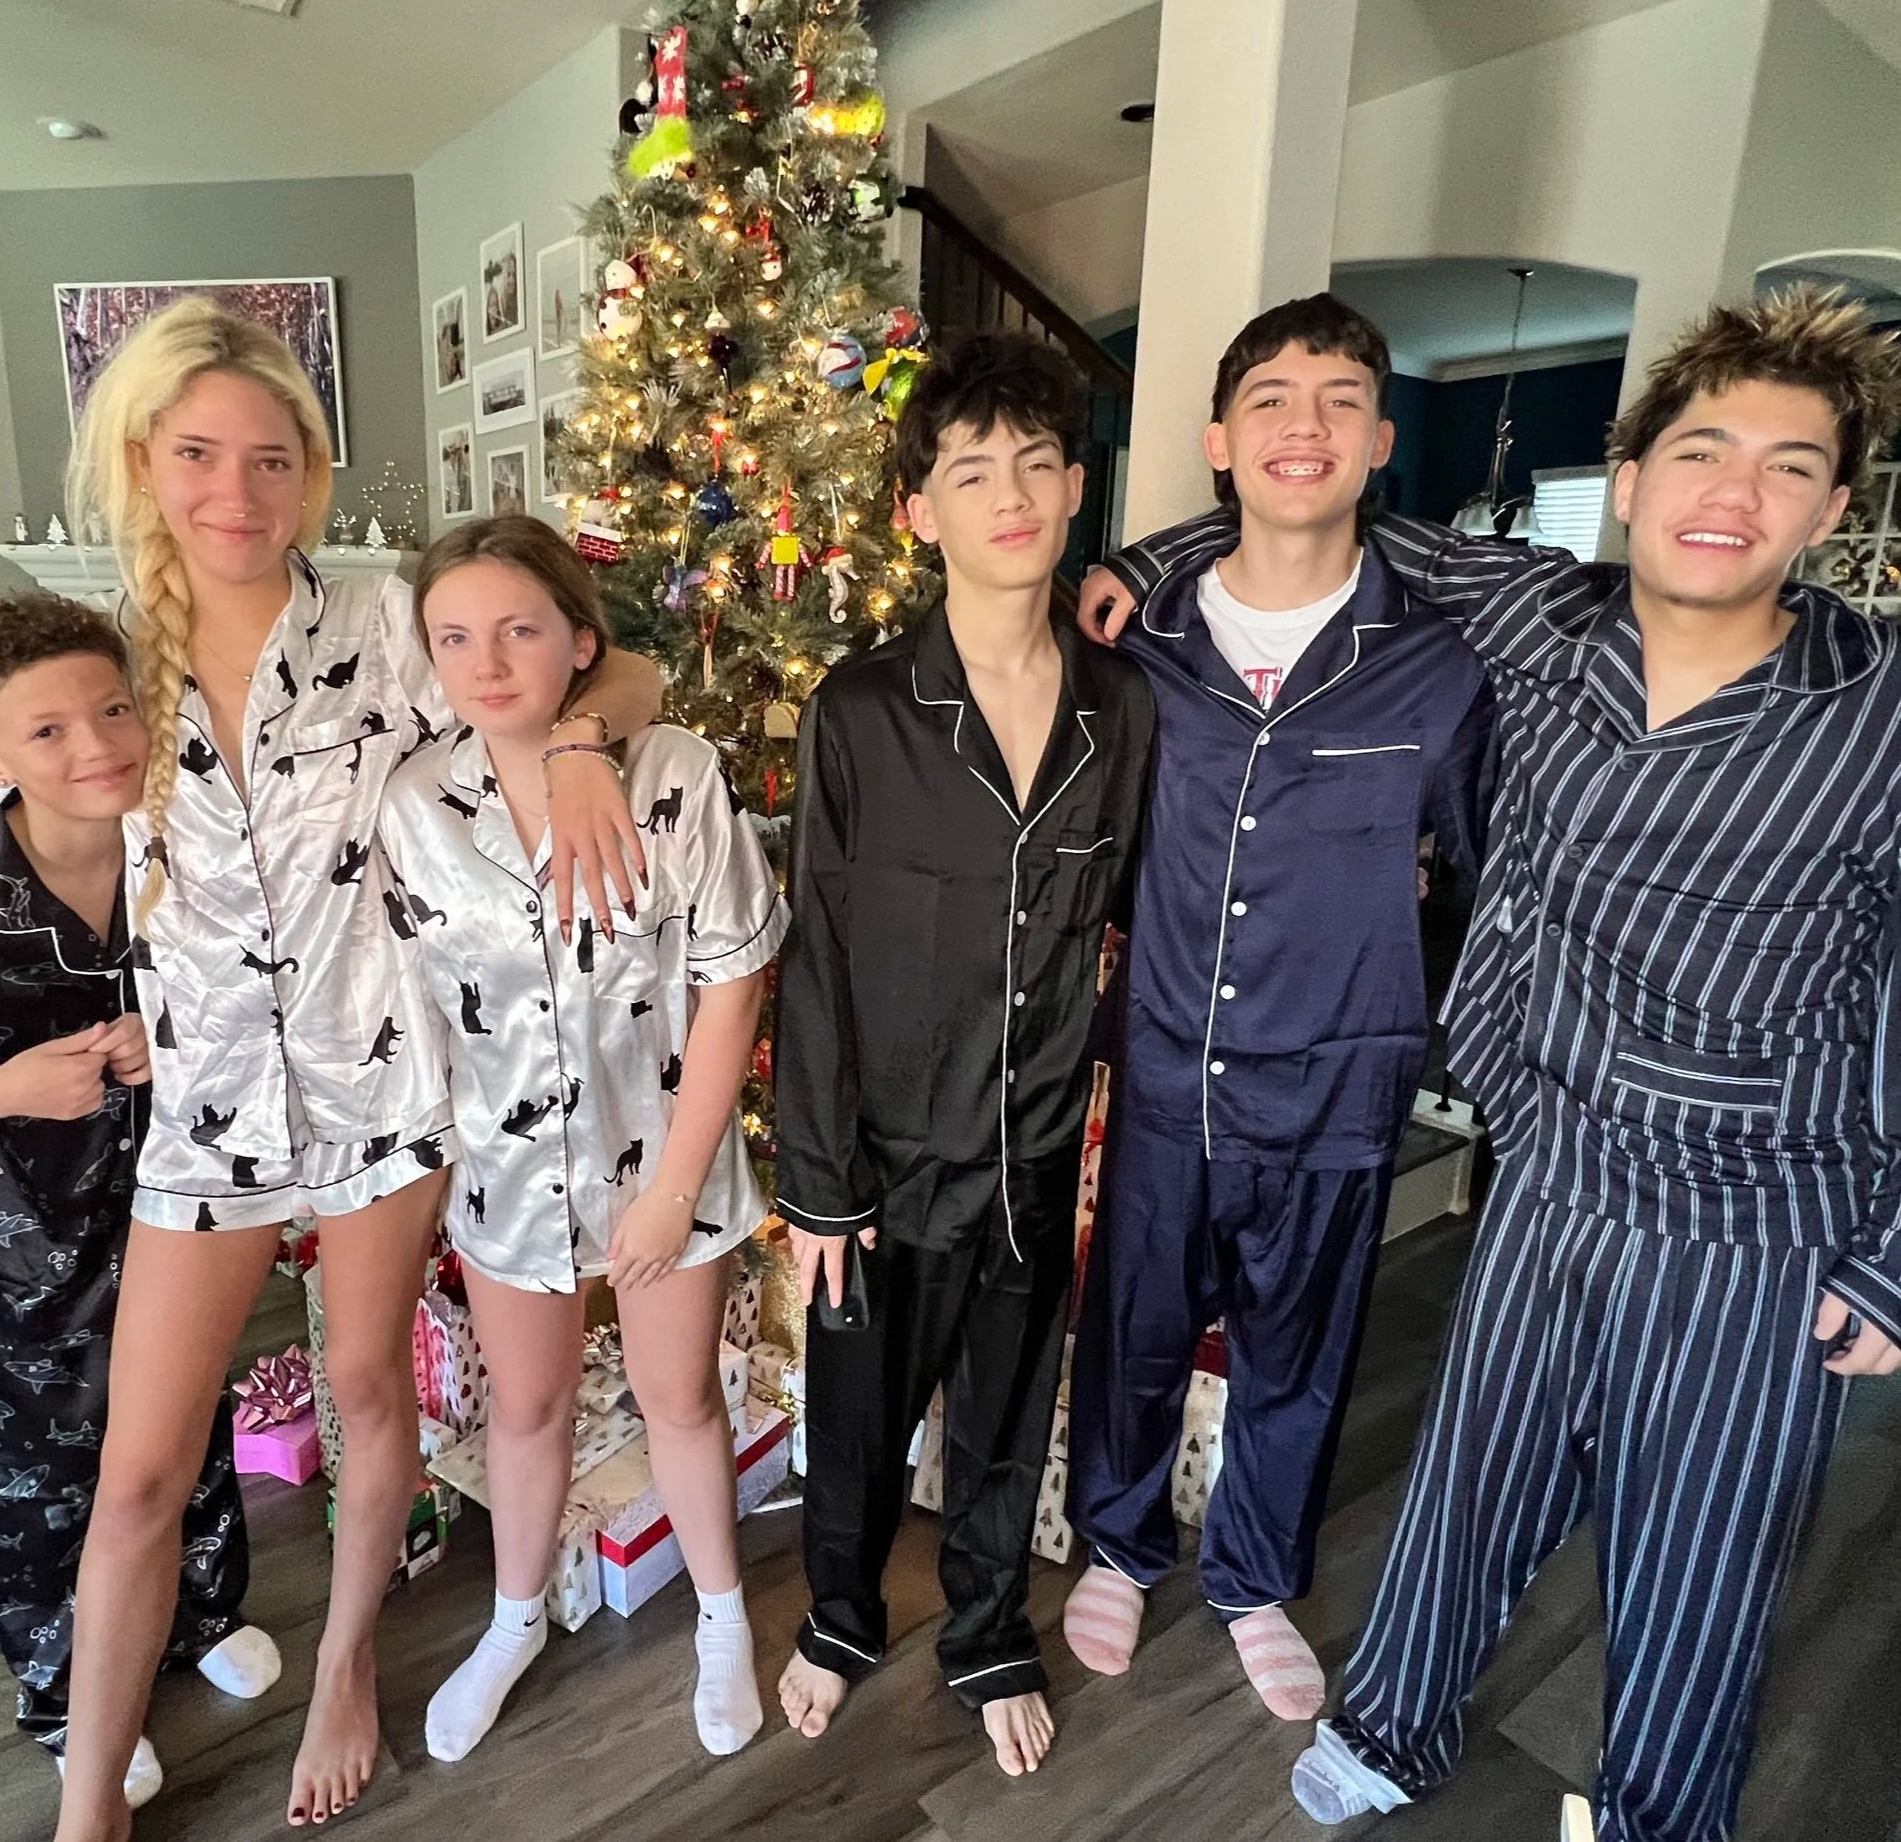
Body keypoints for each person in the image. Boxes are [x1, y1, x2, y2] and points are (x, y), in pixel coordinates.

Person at [1084, 287, 1901, 1842]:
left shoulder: (1874, 705)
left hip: (1760, 1200)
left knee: (1700, 1545)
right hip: (1551, 1157)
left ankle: (1662, 1811)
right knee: (1473, 1472)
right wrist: (1137, 556)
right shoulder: (1540, 617)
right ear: (1637, 469)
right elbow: (1309, 510)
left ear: (1834, 506)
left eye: (1787, 467)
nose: (1732, 494)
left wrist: (1890, 1248)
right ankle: (1390, 1717)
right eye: (1701, 450)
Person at [0, 298, 659, 1841]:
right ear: (143, 460)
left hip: (380, 1094)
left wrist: (577, 749)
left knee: (365, 1387)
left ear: (316, 468)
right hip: (201, 1123)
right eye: (200, 453)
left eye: (272, 457)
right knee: (139, 1466)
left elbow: (615, 672)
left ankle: (347, 1659)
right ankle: (88, 1797)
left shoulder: (384, 618)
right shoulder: (106, 654)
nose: (237, 489)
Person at [1055, 295, 1491, 1724]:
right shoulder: (1134, 638)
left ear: (1376, 439)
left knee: (1298, 1345)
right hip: (1167, 1055)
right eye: (1271, 400)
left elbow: (1490, 868)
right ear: (1217, 442)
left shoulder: (1442, 658)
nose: (1302, 424)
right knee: (1132, 1317)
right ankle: (1118, 1538)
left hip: (1340, 1079)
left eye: (1338, 398)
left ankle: (1250, 1571)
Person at [771, 331, 1155, 1776]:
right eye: (969, 469)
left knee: (1003, 1412)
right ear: (918, 507)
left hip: (1035, 1149)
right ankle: (841, 1611)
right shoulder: (861, 709)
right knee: (858, 1418)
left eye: (1036, 464)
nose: (1009, 493)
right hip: (879, 1161)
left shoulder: (1125, 709)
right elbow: (815, 953)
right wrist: (816, 1182)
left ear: (1073, 489)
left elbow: (1128, 915)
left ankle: (989, 1625)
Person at [377, 515, 786, 1764]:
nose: (487, 661)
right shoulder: (413, 804)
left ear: (577, 643)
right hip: (507, 1178)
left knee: (678, 1397)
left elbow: (731, 978)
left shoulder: (673, 773)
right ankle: (511, 1621)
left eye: (518, 630)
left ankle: (721, 1616)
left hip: (664, 1161)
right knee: (527, 1407)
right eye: (455, 637)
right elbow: (417, 1011)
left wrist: (672, 1191)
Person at [0, 593, 278, 1809]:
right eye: (47, 733)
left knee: (185, 1417)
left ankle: (201, 1612)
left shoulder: (198, 856)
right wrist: (8, 1085)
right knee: (48, 1463)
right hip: (21, 1232)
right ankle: (61, 1692)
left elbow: (254, 998)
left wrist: (166, 1031)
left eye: (112, 708)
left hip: (182, 1193)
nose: (96, 744)